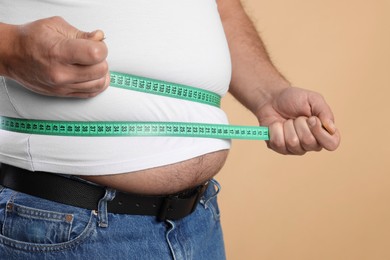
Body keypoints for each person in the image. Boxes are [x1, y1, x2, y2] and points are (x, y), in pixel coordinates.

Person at [0, 0, 340, 259]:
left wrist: (270, 93)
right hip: (61, 222)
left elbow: (219, 8)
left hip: (199, 221)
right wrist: (11, 49)